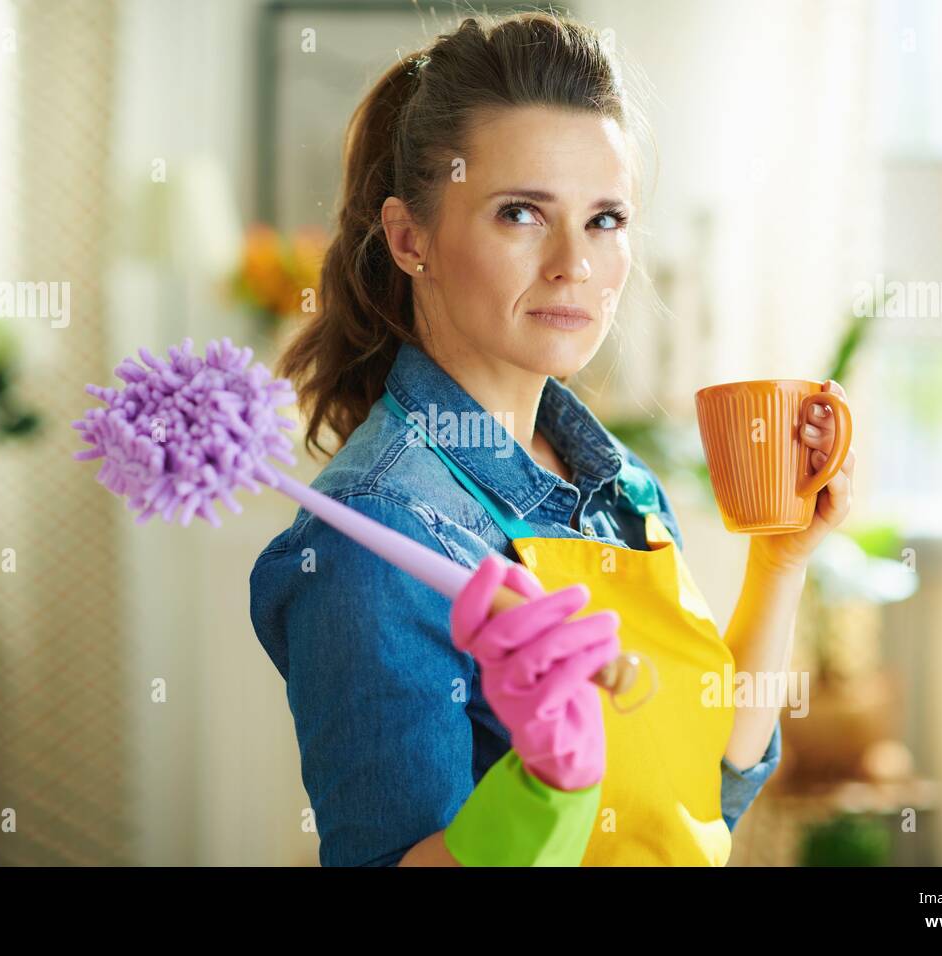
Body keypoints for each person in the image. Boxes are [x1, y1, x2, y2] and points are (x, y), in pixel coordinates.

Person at [249, 10, 855, 867]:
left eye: (605, 219)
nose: (574, 261)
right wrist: (546, 792)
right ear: (409, 237)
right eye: (521, 213)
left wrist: (782, 561)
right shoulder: (374, 537)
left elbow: (708, 789)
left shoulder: (617, 483)